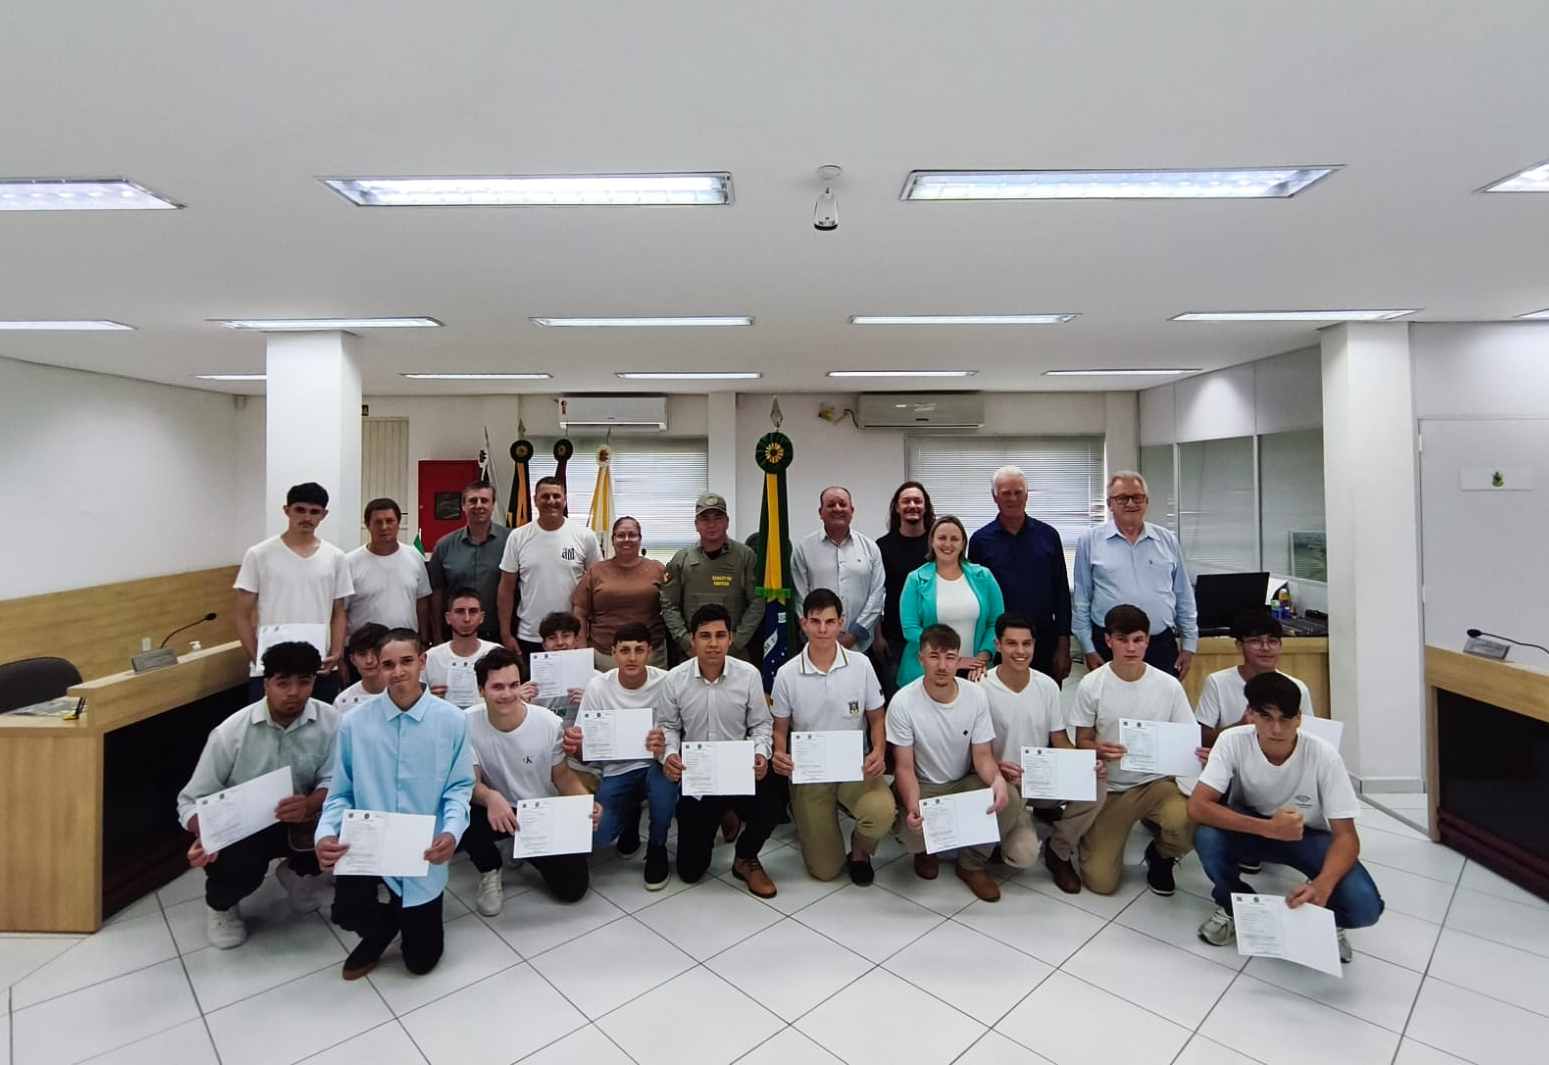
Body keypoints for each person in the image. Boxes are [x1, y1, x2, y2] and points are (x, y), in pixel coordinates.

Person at [1190, 672, 1383, 964]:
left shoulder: (1324, 755)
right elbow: (1198, 806)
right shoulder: (1231, 741)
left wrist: (1323, 885)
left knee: (1366, 908)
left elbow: (1347, 836)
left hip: (1308, 835)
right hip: (1254, 826)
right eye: (1266, 717)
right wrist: (1268, 828)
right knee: (1206, 835)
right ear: (1251, 715)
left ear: (1299, 719)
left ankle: (1325, 918)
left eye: (1286, 718)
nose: (1277, 728)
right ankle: (1233, 905)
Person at [315, 629, 474, 981]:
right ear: (376, 668)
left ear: (422, 662)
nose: (398, 672)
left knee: (421, 962)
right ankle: (386, 926)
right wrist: (325, 834)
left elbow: (460, 787)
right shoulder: (355, 723)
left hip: (423, 852)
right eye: (388, 664)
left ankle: (408, 918)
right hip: (368, 847)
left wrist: (450, 832)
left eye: (406, 662)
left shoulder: (451, 720)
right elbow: (340, 792)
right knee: (347, 912)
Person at [176, 641, 339, 948]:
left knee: (345, 828)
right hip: (243, 827)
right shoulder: (230, 733)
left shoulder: (331, 721)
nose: (294, 692)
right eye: (282, 683)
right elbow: (190, 800)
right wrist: (206, 833)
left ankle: (296, 872)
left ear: (314, 682)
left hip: (299, 819)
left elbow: (334, 778)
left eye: (304, 682)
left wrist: (309, 803)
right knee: (242, 867)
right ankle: (221, 906)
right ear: (266, 684)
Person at [1070, 605, 1200, 896]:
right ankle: (1094, 834)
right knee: (1100, 883)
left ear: (1147, 641)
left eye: (1138, 640)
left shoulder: (1168, 686)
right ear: (1108, 641)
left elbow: (1187, 739)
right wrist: (1099, 750)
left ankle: (1162, 855)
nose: (1131, 648)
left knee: (1187, 820)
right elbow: (1083, 741)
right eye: (1122, 639)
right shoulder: (1092, 685)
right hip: (1112, 788)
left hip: (1156, 783)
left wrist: (1196, 753)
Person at [461, 648, 602, 914]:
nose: (507, 694)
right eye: (497, 687)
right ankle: (490, 869)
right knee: (460, 811)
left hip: (540, 811)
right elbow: (470, 783)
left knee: (573, 889)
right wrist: (490, 796)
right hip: (496, 809)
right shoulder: (466, 722)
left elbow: (562, 775)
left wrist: (587, 803)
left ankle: (524, 846)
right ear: (481, 690)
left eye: (514, 685)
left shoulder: (548, 723)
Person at [655, 604, 782, 898]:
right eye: (705, 636)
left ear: (730, 638)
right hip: (699, 776)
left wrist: (761, 754)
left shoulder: (748, 675)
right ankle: (725, 814)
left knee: (772, 807)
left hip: (739, 770)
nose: (713, 643)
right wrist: (670, 755)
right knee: (690, 871)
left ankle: (745, 856)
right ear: (693, 640)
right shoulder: (674, 679)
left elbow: (762, 724)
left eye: (720, 635)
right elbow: (668, 727)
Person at [771, 589, 895, 885]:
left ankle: (860, 850)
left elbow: (877, 717)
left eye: (829, 621)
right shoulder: (788, 673)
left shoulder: (861, 665)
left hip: (854, 767)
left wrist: (878, 751)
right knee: (826, 871)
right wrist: (779, 752)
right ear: (804, 624)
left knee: (881, 813)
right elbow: (779, 728)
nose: (823, 629)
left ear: (841, 622)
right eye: (816, 622)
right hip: (811, 772)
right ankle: (806, 813)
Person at [887, 624, 1018, 902]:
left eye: (950, 657)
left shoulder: (975, 695)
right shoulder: (902, 703)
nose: (942, 666)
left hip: (962, 781)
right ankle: (926, 851)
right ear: (921, 659)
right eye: (934, 656)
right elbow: (904, 766)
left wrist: (996, 781)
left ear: (959, 660)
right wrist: (912, 807)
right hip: (924, 786)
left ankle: (971, 864)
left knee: (1010, 800)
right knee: (912, 836)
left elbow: (983, 756)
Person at [980, 614, 1106, 894]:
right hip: (1003, 783)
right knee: (1023, 855)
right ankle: (997, 838)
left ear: (1035, 645)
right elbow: (976, 751)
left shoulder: (1046, 685)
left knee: (1096, 784)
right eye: (1012, 643)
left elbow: (1059, 739)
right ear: (997, 645)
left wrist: (1082, 764)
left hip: (1041, 777)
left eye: (1027, 644)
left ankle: (1059, 849)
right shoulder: (980, 687)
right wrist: (997, 768)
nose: (1020, 651)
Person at [561, 622, 680, 888]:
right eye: (625, 650)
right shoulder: (598, 687)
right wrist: (576, 746)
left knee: (663, 790)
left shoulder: (667, 682)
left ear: (650, 652)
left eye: (639, 650)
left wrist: (666, 745)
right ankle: (629, 819)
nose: (632, 657)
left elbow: (680, 730)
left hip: (655, 764)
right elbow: (585, 754)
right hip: (616, 770)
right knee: (597, 836)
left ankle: (658, 847)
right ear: (613, 652)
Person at [1072, 471, 1198, 680]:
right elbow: (1082, 599)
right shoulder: (1090, 541)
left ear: (1146, 501)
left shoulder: (1167, 541)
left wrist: (1189, 645)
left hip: (1160, 644)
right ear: (1110, 504)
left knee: (1160, 708)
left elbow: (1183, 595)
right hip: (1109, 645)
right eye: (1122, 498)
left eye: (1137, 497)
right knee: (1111, 707)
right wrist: (1088, 648)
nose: (1130, 503)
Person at [233, 481, 352, 702]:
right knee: (267, 732)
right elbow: (241, 614)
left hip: (320, 665)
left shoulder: (335, 557)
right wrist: (257, 657)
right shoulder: (259, 554)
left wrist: (336, 652)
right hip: (271, 668)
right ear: (287, 510)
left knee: (320, 730)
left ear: (324, 515)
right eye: (300, 510)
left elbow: (339, 612)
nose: (307, 517)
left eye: (314, 512)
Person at [968, 466, 1073, 683]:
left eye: (1018, 492)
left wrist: (1064, 645)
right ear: (995, 497)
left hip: (1043, 641)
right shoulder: (980, 541)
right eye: (1006, 493)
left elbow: (1062, 593)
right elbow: (978, 600)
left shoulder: (1049, 536)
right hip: (999, 642)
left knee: (1044, 704)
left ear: (1026, 495)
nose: (1013, 498)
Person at [497, 476, 601, 659]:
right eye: (545, 496)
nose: (551, 501)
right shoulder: (518, 537)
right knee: (531, 688)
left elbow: (597, 586)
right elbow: (506, 588)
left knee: (574, 689)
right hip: (530, 637)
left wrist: (588, 634)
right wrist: (506, 634)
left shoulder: (585, 536)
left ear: (565, 499)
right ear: (535, 500)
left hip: (572, 638)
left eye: (556, 496)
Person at [897, 515, 1005, 688]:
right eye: (942, 538)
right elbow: (910, 629)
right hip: (927, 673)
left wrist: (983, 657)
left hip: (976, 671)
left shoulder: (983, 577)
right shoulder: (916, 579)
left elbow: (996, 623)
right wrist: (951, 660)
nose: (948, 544)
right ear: (932, 541)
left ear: (963, 544)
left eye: (954, 539)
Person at [659, 491, 763, 665]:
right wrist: (686, 642)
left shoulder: (745, 557)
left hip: (734, 655)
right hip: (691, 655)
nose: (712, 525)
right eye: (705, 519)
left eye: (718, 518)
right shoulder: (681, 558)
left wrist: (735, 643)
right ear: (696, 524)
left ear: (727, 522)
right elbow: (668, 603)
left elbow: (757, 603)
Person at [1196, 610, 1315, 747]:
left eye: (1272, 641)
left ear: (1280, 646)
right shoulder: (1217, 682)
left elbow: (1310, 738)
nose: (1265, 648)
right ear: (1239, 646)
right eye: (1255, 641)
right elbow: (1201, 738)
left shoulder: (1297, 688)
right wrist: (1240, 726)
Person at [791, 486, 885, 653]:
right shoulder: (804, 549)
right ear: (820, 512)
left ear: (852, 510)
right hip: (816, 643)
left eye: (842, 504)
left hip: (861, 645)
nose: (837, 509)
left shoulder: (870, 548)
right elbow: (800, 597)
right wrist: (820, 632)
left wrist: (853, 635)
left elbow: (876, 596)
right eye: (831, 504)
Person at [572, 515, 668, 670]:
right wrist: (582, 648)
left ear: (640, 539)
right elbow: (580, 612)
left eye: (632, 535)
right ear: (613, 540)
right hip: (604, 655)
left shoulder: (657, 569)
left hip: (650, 654)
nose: (627, 539)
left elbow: (671, 608)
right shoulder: (596, 571)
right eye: (621, 535)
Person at [428, 480, 511, 643]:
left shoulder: (511, 541)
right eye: (472, 501)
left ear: (493, 505)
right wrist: (436, 634)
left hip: (499, 634)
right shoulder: (444, 545)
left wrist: (507, 634)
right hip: (455, 635)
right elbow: (436, 594)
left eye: (484, 500)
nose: (478, 505)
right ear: (463, 506)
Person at [873, 481, 935, 700]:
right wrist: (877, 636)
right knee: (897, 700)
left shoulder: (937, 545)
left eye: (917, 501)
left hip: (933, 637)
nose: (912, 505)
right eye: (906, 501)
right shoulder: (882, 546)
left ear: (925, 506)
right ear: (896, 507)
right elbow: (876, 594)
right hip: (894, 640)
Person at [343, 498, 431, 645]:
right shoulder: (349, 562)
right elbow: (341, 611)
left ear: (398, 523)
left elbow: (421, 602)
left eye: (390, 521)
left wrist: (424, 640)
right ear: (367, 525)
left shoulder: (414, 557)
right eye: (378, 522)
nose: (384, 527)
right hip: (364, 650)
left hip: (406, 645)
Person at [424, 588, 501, 709]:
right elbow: (416, 701)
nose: (467, 619)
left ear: (482, 617)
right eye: (459, 611)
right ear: (448, 618)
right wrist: (428, 700)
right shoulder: (430, 658)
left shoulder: (497, 653)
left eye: (473, 611)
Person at [333, 623, 389, 713]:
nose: (369, 660)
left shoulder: (413, 692)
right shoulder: (343, 701)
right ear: (352, 659)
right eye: (362, 654)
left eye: (376, 652)